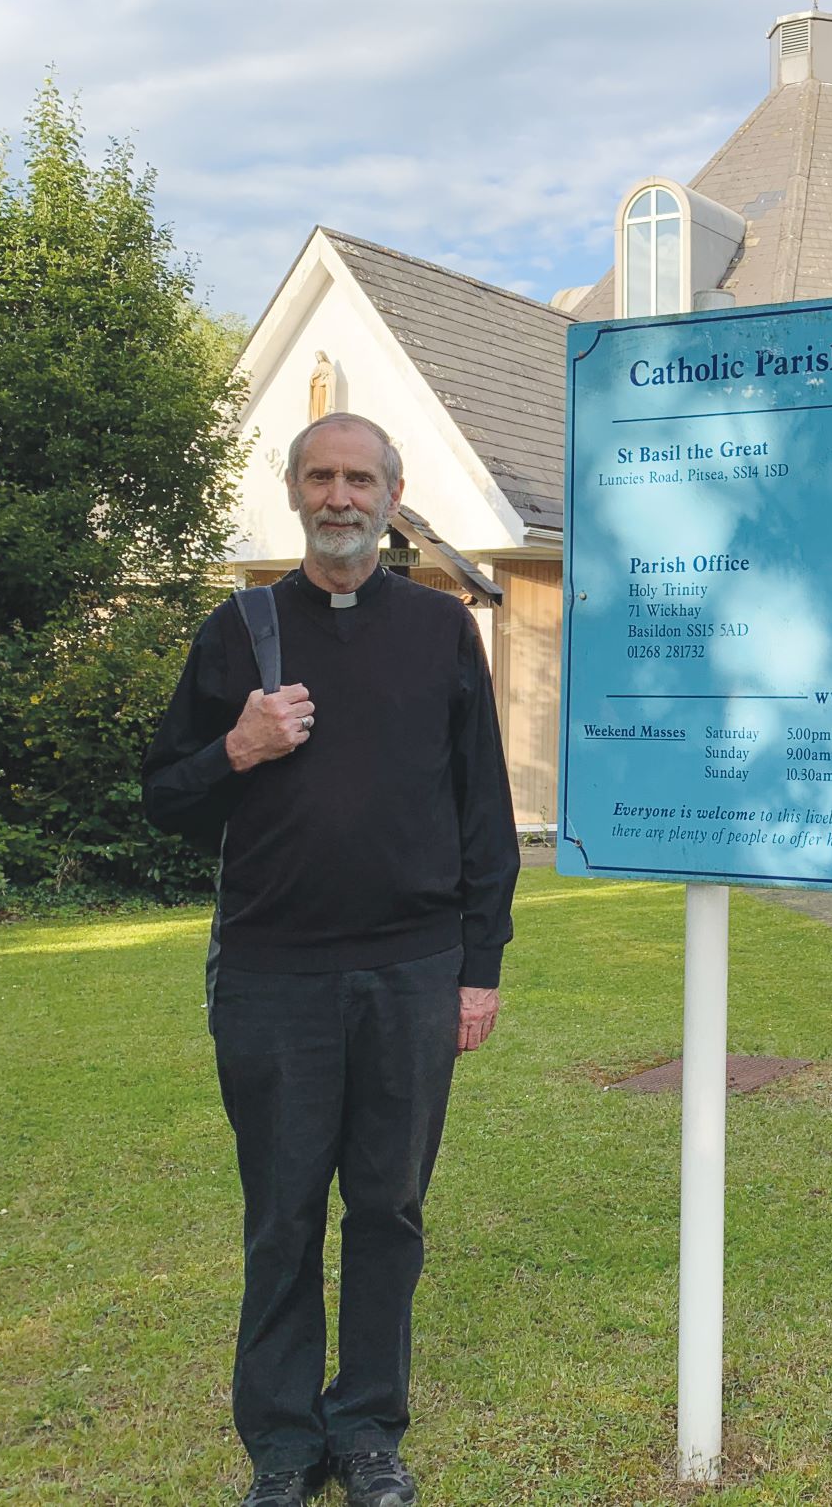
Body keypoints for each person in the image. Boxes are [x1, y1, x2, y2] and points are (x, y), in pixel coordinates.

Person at [143, 411, 519, 1507]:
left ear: (394, 497)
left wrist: (479, 963)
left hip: (411, 966)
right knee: (283, 1212)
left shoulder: (442, 633)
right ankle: (280, 1442)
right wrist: (237, 746)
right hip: (272, 976)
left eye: (361, 478)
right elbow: (163, 799)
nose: (341, 496)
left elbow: (482, 813)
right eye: (321, 477)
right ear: (295, 493)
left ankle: (365, 1432)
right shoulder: (237, 631)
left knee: (390, 1208)